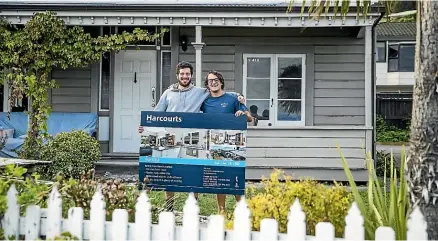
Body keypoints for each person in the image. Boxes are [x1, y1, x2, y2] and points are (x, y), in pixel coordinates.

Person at [138, 61, 245, 211]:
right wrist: (146, 126)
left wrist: (237, 95)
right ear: (177, 75)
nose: (185, 76)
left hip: (192, 140)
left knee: (194, 173)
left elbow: (219, 92)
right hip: (171, 139)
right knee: (170, 173)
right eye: (182, 73)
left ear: (191, 75)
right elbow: (156, 114)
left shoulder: (200, 92)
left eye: (187, 73)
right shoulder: (168, 93)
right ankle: (169, 207)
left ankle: (193, 207)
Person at [200, 70, 252, 215]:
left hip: (232, 144)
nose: (213, 82)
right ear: (207, 84)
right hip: (212, 144)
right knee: (219, 177)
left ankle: (242, 208)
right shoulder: (204, 101)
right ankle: (221, 210)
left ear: (221, 82)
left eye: (216, 79)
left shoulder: (233, 99)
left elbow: (250, 118)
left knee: (234, 175)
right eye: (210, 80)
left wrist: (243, 114)